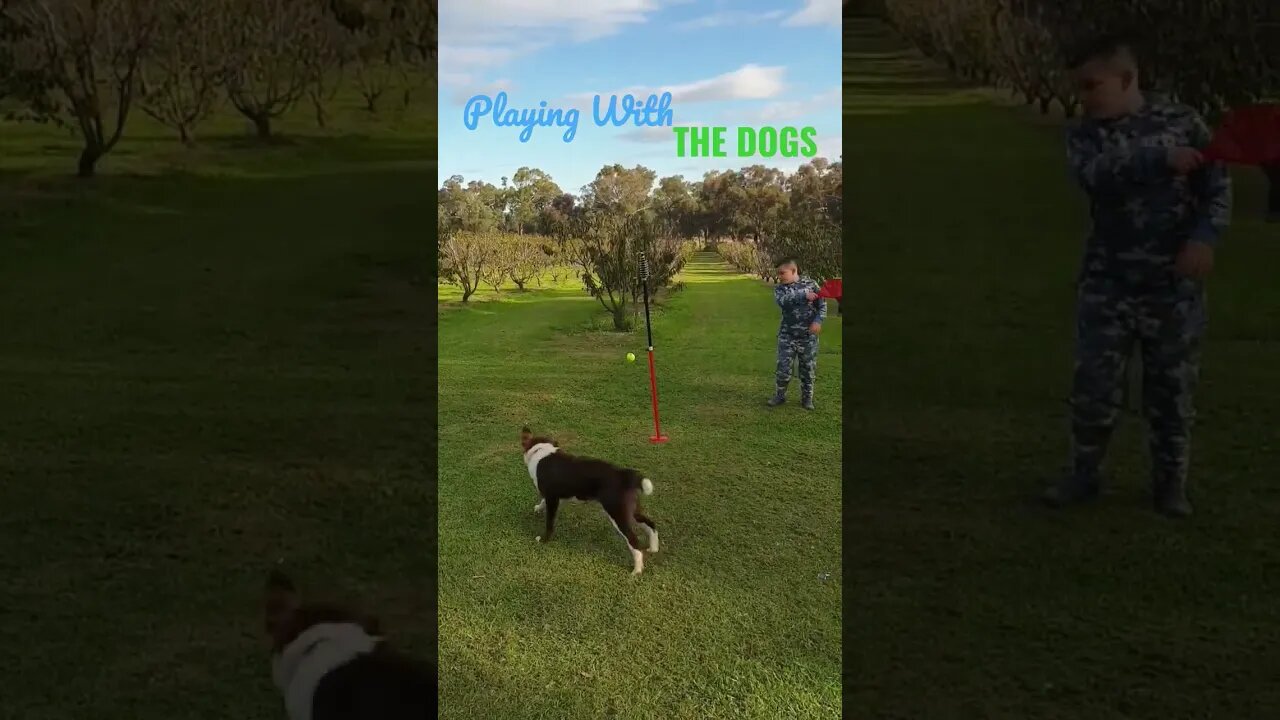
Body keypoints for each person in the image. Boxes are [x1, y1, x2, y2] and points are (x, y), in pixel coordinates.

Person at [1043, 34, 1232, 517]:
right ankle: (1084, 476)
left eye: (1092, 85)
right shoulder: (1085, 133)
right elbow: (1094, 175)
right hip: (1108, 281)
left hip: (1173, 287)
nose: (1084, 97)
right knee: (1094, 387)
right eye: (1078, 88)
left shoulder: (1184, 122)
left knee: (1171, 390)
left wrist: (1204, 238)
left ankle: (1171, 485)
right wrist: (1158, 160)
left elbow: (1217, 185)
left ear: (1127, 79)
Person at [768, 259, 826, 410]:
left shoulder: (811, 284)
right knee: (783, 368)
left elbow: (822, 305)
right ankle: (780, 396)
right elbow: (782, 301)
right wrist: (804, 295)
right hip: (787, 335)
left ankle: (807, 399)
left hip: (808, 337)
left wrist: (818, 321)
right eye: (778, 273)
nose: (780, 276)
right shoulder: (781, 289)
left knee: (807, 369)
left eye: (783, 273)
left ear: (794, 271)